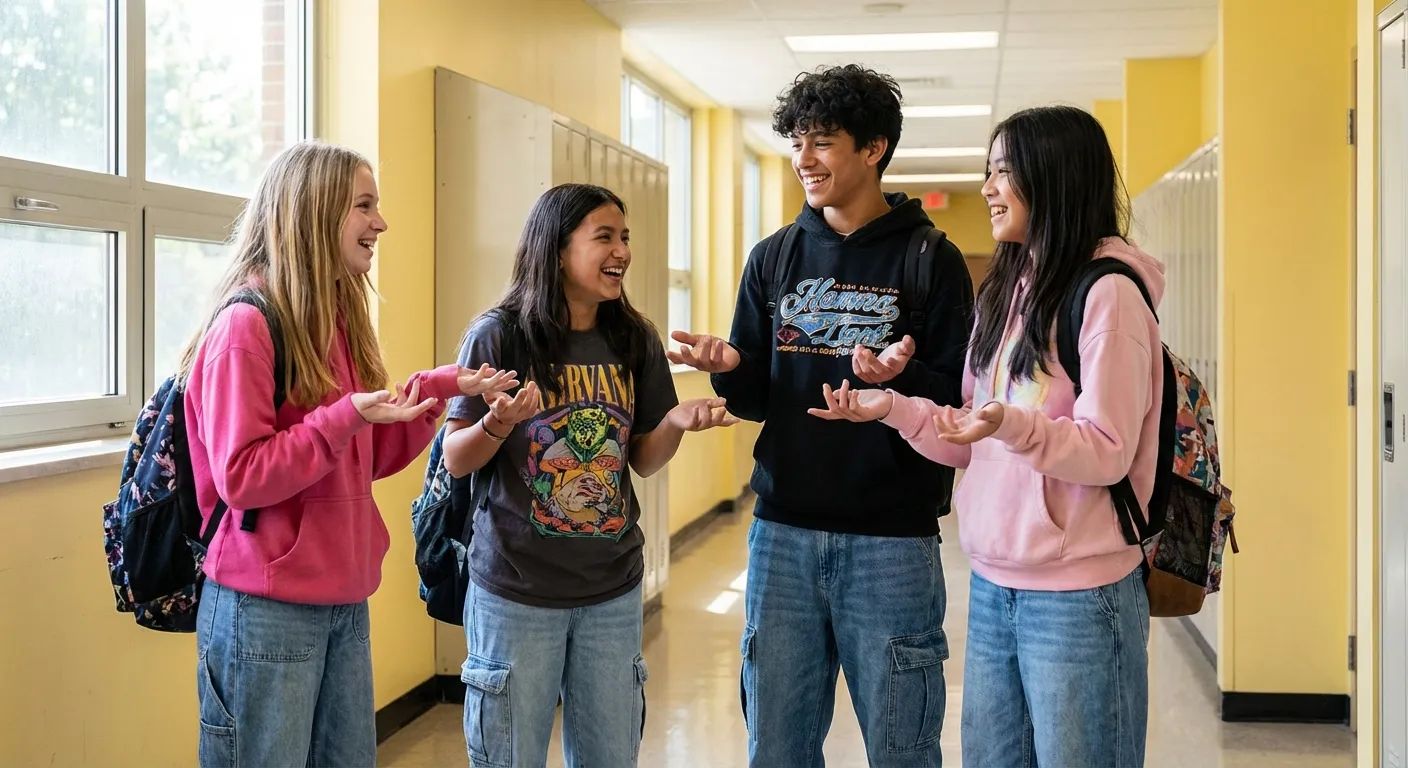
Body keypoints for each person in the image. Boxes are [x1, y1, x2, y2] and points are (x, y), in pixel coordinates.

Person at [810, 104, 1163, 767]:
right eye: (988, 171)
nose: (990, 187)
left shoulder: (1109, 295)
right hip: (995, 583)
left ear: (1054, 178)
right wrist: (891, 408)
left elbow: (1109, 452)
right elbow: (969, 440)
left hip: (1079, 597)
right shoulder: (1007, 293)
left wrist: (1017, 426)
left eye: (1005, 172)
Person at [668, 65, 974, 767]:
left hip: (892, 543)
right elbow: (756, 397)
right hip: (783, 538)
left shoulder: (932, 259)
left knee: (903, 748)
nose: (803, 159)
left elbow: (958, 397)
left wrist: (903, 381)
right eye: (797, 143)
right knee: (777, 746)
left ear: (874, 148)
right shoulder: (774, 258)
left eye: (823, 143)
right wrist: (730, 366)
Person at [180, 140, 518, 768]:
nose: (380, 223)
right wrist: (341, 419)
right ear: (314, 212)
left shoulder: (334, 319)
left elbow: (367, 453)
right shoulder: (245, 328)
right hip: (266, 608)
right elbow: (242, 478)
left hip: (343, 601)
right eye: (365, 206)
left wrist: (442, 392)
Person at [441, 183, 738, 768]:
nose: (622, 251)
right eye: (604, 237)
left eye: (624, 237)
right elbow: (456, 457)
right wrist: (499, 425)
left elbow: (645, 460)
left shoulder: (634, 338)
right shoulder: (499, 335)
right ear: (556, 250)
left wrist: (675, 421)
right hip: (516, 591)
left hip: (611, 589)